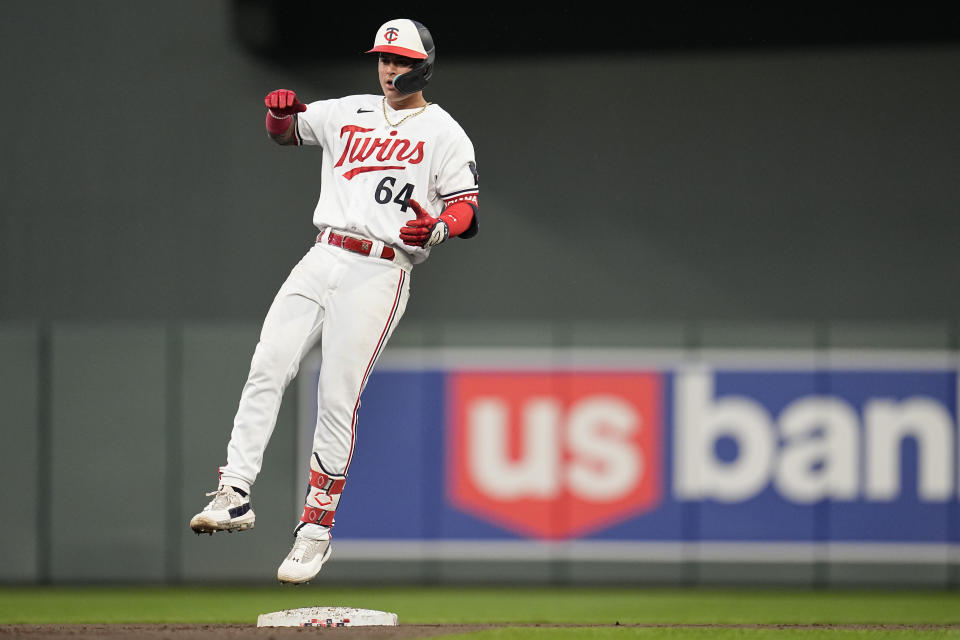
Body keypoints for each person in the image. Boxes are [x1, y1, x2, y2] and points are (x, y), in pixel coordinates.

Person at [188, 18, 479, 584]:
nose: (389, 68)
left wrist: (439, 228)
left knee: (336, 396)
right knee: (266, 366)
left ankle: (315, 531)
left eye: (399, 60)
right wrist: (277, 111)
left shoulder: (444, 131)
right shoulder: (347, 111)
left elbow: (466, 206)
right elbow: (286, 132)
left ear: (423, 65)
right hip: (323, 253)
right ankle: (235, 492)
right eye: (383, 58)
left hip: (382, 266)